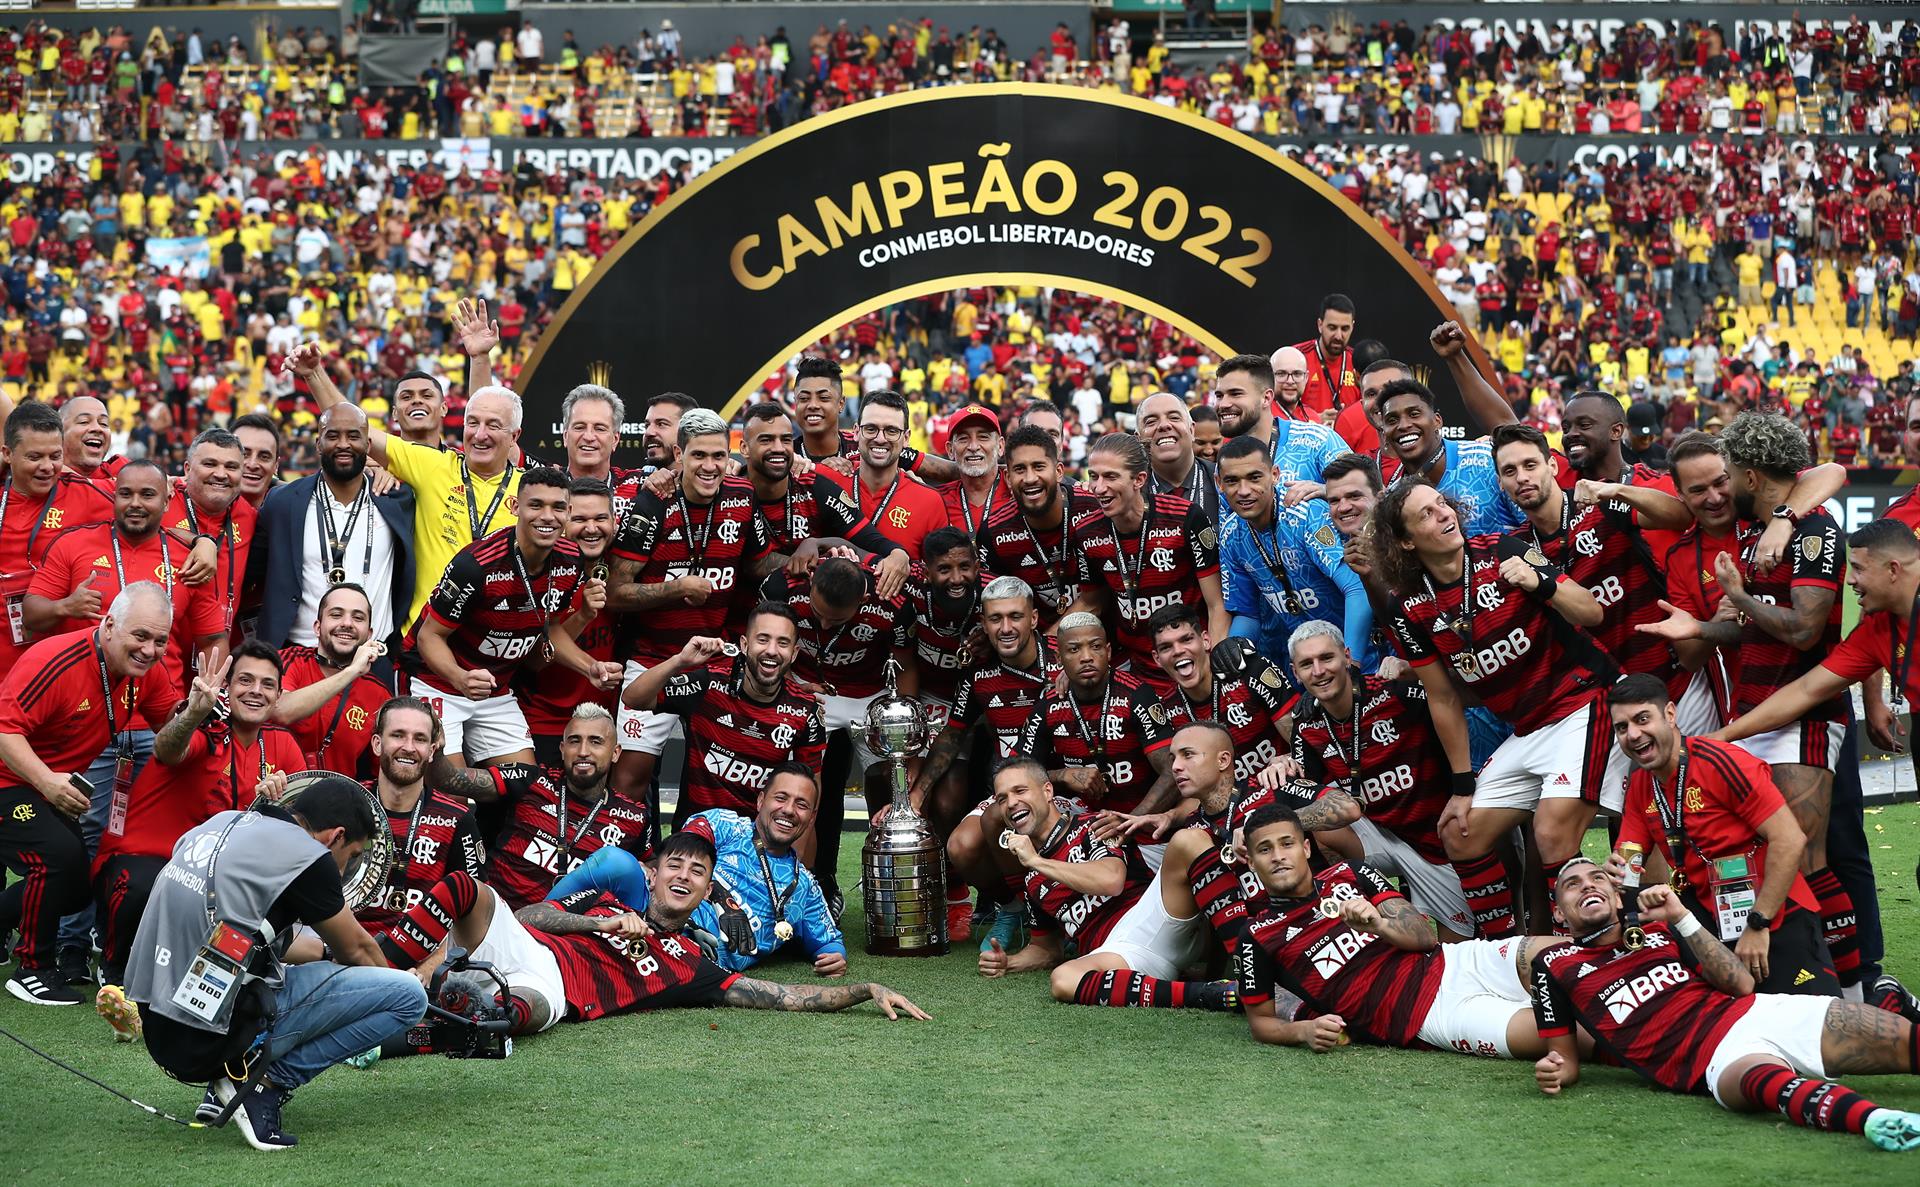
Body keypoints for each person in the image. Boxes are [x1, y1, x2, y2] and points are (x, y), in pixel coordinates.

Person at [1637, 412, 1858, 990]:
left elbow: (1803, 630)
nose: (1719, 488)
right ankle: (1810, 984)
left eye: (1727, 474)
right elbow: (1758, 629)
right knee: (1787, 857)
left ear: (1749, 476)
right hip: (1760, 711)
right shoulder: (1740, 534)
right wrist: (1702, 629)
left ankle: (1850, 989)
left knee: (1809, 859)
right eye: (1701, 486)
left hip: (1806, 714)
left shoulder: (1808, 529)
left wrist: (1736, 593)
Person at [360, 828, 927, 1043]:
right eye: (673, 865)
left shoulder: (693, 963)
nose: (683, 875)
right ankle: (376, 971)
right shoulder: (608, 899)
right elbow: (531, 917)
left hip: (559, 991)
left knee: (512, 1011)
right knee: (465, 887)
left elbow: (785, 997)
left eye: (697, 872)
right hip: (534, 947)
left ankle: (419, 1026)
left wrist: (865, 990)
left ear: (708, 891)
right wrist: (599, 922)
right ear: (652, 873)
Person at [1528, 858, 1920, 1152]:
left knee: (1905, 1045)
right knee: (1758, 1087)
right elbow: (1564, 1059)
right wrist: (1554, 1072)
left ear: (1617, 897)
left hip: (1757, 1012)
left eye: (1597, 877)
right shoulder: (1553, 964)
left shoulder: (1662, 930)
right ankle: (1876, 1120)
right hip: (1714, 1060)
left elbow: (1742, 984)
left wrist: (1681, 916)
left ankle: (1884, 999)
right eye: (1571, 884)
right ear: (1560, 912)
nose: (1586, 885)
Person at [125, 778, 427, 1151]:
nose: (346, 867)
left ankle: (224, 1084)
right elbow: (360, 952)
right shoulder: (309, 856)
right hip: (209, 1039)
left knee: (270, 971)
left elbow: (238, 933)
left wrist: (322, 954)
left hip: (159, 1024)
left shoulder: (223, 822)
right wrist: (396, 979)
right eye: (351, 855)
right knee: (409, 997)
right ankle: (262, 1085)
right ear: (335, 836)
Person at [1372, 479, 1617, 938]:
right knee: (1460, 833)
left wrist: (1540, 582)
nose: (1444, 514)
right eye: (1426, 513)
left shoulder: (1507, 549)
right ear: (1405, 541)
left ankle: (1573, 951)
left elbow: (1591, 613)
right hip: (1525, 730)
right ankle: (1503, 949)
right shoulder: (1406, 605)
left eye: (1443, 504)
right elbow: (1443, 696)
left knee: (1550, 835)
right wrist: (1463, 785)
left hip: (1582, 704)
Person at [1234, 804, 1560, 1059]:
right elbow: (1261, 1022)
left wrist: (1378, 924)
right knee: (1557, 1032)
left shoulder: (1351, 873)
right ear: (1251, 862)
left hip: (1456, 961)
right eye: (1264, 849)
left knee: (1559, 958)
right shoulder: (1257, 935)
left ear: (1305, 848)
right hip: (1424, 1015)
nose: (1278, 857)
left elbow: (1424, 937)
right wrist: (1303, 1031)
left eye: (1286, 844)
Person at [91, 643, 305, 1025]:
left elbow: (297, 826)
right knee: (148, 882)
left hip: (224, 878)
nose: (256, 690)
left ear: (278, 696)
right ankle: (117, 973)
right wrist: (193, 711)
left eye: (267, 684)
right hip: (152, 859)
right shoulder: (208, 723)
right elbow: (167, 748)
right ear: (226, 686)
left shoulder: (282, 745)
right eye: (244, 680)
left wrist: (276, 806)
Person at [0, 583, 181, 1005]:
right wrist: (47, 781)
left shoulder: (146, 673)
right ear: (110, 625)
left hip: (41, 786)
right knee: (58, 859)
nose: (150, 649)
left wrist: (199, 708)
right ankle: (32, 968)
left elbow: (170, 725)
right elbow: (4, 730)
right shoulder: (55, 660)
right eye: (140, 636)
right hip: (10, 782)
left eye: (160, 640)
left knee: (77, 888)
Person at [289, 340, 525, 630]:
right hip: (416, 631)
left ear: (443, 409)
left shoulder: (526, 487)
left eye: (427, 395)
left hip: (491, 633)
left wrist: (479, 358)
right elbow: (350, 426)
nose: (480, 433)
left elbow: (491, 411)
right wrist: (314, 375)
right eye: (407, 396)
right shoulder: (427, 466)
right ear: (393, 412)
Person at [977, 751, 1238, 1011]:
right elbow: (1046, 950)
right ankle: (1208, 993)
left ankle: (1249, 967)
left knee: (1187, 840)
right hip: (1121, 956)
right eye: (1002, 799)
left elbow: (1111, 880)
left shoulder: (1096, 825)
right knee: (1063, 980)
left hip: (1155, 920)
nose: (1011, 803)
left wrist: (1037, 862)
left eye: (1020, 791)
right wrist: (1008, 963)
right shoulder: (1033, 880)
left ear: (1047, 791)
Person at [607, 409, 773, 817]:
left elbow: (759, 564)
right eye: (699, 455)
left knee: (715, 778)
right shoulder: (653, 500)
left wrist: (818, 549)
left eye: (719, 455)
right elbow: (615, 591)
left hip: (712, 662)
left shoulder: (742, 495)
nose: (710, 466)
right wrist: (677, 588)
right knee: (630, 778)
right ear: (679, 454)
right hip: (653, 658)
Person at [409, 466, 618, 766]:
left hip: (496, 689)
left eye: (558, 507)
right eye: (536, 505)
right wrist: (460, 678)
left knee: (522, 784)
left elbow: (552, 630)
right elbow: (429, 636)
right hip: (440, 682)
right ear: (516, 507)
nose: (547, 516)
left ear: (568, 511)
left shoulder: (571, 559)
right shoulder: (476, 565)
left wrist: (591, 667)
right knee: (451, 788)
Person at [551, 762, 845, 973]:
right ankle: (542, 915)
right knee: (615, 862)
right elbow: (682, 855)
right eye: (781, 798)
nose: (789, 810)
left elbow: (830, 944)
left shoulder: (805, 886)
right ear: (761, 800)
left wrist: (835, 957)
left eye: (801, 804)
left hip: (702, 960)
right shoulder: (724, 824)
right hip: (656, 914)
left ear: (812, 816)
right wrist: (724, 903)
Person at [1285, 620, 1469, 938]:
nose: (1318, 671)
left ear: (1347, 656)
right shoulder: (1306, 723)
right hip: (1382, 836)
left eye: (1326, 658)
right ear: (1295, 672)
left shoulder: (1395, 691)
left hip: (1438, 836)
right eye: (1306, 664)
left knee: (1458, 949)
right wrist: (1280, 773)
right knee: (1320, 825)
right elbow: (1308, 792)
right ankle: (1374, 908)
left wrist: (1416, 670)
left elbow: (1459, 696)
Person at [760, 555, 917, 906]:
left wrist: (905, 719)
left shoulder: (892, 600)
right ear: (811, 583)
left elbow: (905, 663)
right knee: (803, 788)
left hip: (869, 693)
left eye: (838, 618)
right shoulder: (784, 586)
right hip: (804, 686)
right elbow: (765, 645)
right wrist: (788, 688)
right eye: (819, 614)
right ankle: (808, 884)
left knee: (888, 784)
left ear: (862, 599)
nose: (826, 624)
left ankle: (887, 881)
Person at [619, 610, 827, 825]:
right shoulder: (708, 684)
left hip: (754, 841)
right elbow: (633, 698)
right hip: (695, 839)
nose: (772, 651)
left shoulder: (805, 709)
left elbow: (811, 794)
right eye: (763, 640)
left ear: (794, 653)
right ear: (745, 645)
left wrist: (797, 859)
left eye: (782, 643)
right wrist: (679, 661)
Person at [1069, 432, 1227, 698]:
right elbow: (1091, 602)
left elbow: (1217, 603)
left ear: (1139, 480)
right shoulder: (1086, 531)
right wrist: (1053, 648)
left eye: (1110, 477)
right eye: (1093, 476)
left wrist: (1216, 662)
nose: (1097, 487)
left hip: (1192, 659)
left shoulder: (1185, 517)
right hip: (1137, 668)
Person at [252, 402, 413, 655]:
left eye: (353, 436)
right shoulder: (282, 503)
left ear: (368, 446)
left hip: (374, 655)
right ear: (318, 444)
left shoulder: (397, 499)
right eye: (333, 435)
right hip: (300, 654)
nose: (343, 444)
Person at [1018, 613, 1175, 853]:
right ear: (1059, 658)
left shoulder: (1137, 695)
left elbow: (1172, 772)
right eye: (1074, 650)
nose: (1087, 657)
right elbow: (1018, 776)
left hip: (1143, 828)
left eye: (1095, 647)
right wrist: (1063, 775)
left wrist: (1128, 821)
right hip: (1079, 825)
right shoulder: (1047, 706)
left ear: (1109, 652)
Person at [1217, 434, 1374, 672]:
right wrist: (1233, 647)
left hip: (1361, 658)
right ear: (1219, 483)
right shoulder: (1230, 534)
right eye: (1232, 481)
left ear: (1275, 475)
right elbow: (1248, 614)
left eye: (1255, 478)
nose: (1244, 491)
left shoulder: (1305, 515)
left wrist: (1352, 665)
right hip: (1306, 668)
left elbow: (1356, 588)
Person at [0, 401, 112, 679]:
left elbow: (154, 505)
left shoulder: (87, 494)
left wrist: (201, 542)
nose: (48, 467)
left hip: (56, 662)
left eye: (55, 456)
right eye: (35, 457)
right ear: (7, 454)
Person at [520, 479, 619, 768]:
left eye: (600, 518)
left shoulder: (622, 573)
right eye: (580, 519)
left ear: (614, 522)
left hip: (602, 725)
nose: (591, 528)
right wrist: (584, 616)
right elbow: (535, 660)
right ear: (564, 520)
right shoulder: (539, 574)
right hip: (544, 723)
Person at [1149, 604, 1295, 785]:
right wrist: (1167, 815)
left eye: (1186, 639)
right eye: (1166, 647)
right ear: (1157, 659)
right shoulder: (1167, 709)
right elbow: (1191, 790)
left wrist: (1287, 759)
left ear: (1206, 641)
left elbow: (1304, 741)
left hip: (1282, 789)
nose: (1178, 651)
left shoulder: (1249, 671)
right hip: (1230, 808)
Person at [812, 390, 950, 558]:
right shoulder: (822, 478)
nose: (880, 438)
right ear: (856, 431)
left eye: (891, 431)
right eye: (871, 429)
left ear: (906, 438)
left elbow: (938, 574)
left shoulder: (930, 502)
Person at [273, 584, 391, 777]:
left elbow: (385, 771)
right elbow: (280, 711)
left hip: (336, 802)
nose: (347, 623)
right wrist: (352, 671)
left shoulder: (379, 694)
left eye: (358, 617)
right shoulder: (288, 660)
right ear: (317, 627)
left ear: (369, 635)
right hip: (275, 796)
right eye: (336, 615)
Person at [977, 425, 1079, 627]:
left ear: (1059, 471)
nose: (1030, 478)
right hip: (1033, 647)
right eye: (1019, 469)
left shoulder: (1092, 509)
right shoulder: (993, 532)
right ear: (1007, 478)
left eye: (1039, 466)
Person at [1210, 352, 1349, 496]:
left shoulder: (1317, 440)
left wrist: (1327, 490)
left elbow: (1364, 488)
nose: (1223, 404)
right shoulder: (1227, 458)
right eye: (1219, 395)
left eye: (1236, 393)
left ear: (1266, 398)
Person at [165, 428, 257, 638]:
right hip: (159, 653)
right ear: (187, 469)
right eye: (210, 464)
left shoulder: (250, 516)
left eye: (231, 467)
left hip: (218, 649)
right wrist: (200, 541)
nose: (221, 474)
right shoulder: (162, 500)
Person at [1139, 392, 1219, 524]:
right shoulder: (1130, 491)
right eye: (1151, 421)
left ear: (1192, 430)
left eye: (1174, 418)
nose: (1164, 425)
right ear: (1139, 439)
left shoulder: (1224, 481)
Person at [1290, 293, 1362, 416]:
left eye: (1345, 329)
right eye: (1332, 328)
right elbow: (1278, 410)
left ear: (1352, 327)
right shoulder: (1296, 357)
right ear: (1320, 325)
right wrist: (1315, 420)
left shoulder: (1358, 361)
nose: (1338, 336)